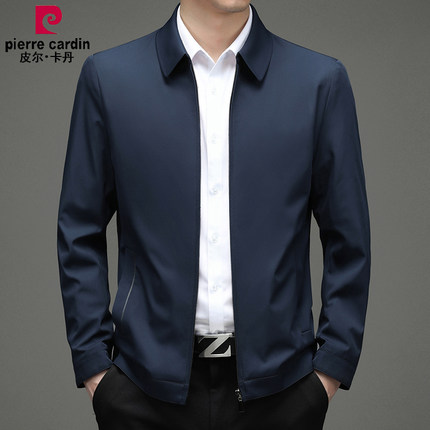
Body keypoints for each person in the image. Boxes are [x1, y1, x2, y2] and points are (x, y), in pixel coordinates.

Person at [57, 1, 371, 429]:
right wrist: (95, 367)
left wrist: (330, 369)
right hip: (142, 393)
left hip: (283, 393)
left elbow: (348, 239)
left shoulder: (318, 81)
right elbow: (79, 229)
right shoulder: (110, 78)